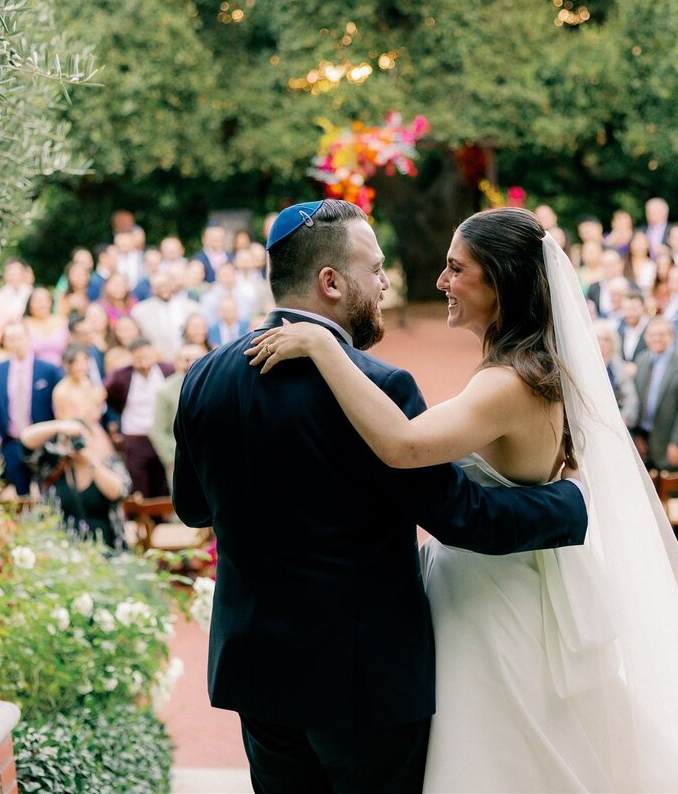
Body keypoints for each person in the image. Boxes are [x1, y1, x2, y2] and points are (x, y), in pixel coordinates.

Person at [241, 203, 678, 791]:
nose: (442, 283)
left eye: (457, 270)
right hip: (513, 582)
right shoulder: (531, 370)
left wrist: (326, 349)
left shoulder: (506, 383)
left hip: (492, 601)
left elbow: (404, 445)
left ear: (500, 282)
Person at [173, 200, 595, 792]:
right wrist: (573, 504)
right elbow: (461, 514)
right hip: (362, 681)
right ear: (330, 282)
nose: (385, 283)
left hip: (258, 671)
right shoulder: (380, 388)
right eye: (374, 270)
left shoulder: (205, 376)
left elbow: (193, 508)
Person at [20, 417, 131, 548]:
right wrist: (60, 426)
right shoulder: (53, 466)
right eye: (69, 438)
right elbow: (26, 441)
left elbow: (119, 492)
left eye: (80, 437)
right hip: (62, 549)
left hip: (107, 547)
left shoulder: (109, 463)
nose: (74, 441)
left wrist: (91, 461)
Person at [0, 322, 62, 496]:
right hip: (12, 441)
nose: (16, 342)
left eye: (20, 337)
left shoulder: (48, 369)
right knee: (20, 493)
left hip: (42, 441)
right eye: (11, 339)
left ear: (28, 339)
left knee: (47, 492)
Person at [632, 317, 678, 472]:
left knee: (677, 493)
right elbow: (637, 399)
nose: (656, 339)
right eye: (652, 335)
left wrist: (677, 443)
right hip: (647, 441)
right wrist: (637, 435)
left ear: (671, 337)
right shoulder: (642, 360)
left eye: (661, 334)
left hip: (674, 442)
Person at [105, 338, 172, 497]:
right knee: (139, 483)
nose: (142, 362)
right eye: (138, 358)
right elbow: (108, 396)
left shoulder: (167, 371)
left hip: (161, 434)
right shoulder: (121, 376)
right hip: (135, 435)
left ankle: (162, 517)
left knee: (162, 481)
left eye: (146, 356)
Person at [149, 343, 206, 486]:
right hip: (180, 460)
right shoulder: (165, 390)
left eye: (197, 358)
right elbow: (158, 431)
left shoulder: (216, 384)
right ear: (177, 362)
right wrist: (172, 459)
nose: (192, 363)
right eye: (186, 359)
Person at [592, 320, 639, 428]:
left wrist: (623, 419)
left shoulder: (618, 366)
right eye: (598, 339)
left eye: (606, 339)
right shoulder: (586, 364)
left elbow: (630, 397)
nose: (602, 343)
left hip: (617, 422)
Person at [52, 343, 107, 425]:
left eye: (85, 360)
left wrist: (98, 402)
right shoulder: (62, 391)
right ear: (67, 365)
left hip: (93, 431)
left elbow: (96, 414)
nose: (82, 366)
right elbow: (66, 423)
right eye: (76, 362)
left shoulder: (86, 382)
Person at [23, 287, 70, 367]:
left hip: (61, 369)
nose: (42, 304)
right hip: (35, 370)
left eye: (45, 299)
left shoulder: (62, 321)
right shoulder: (24, 324)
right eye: (37, 300)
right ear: (29, 304)